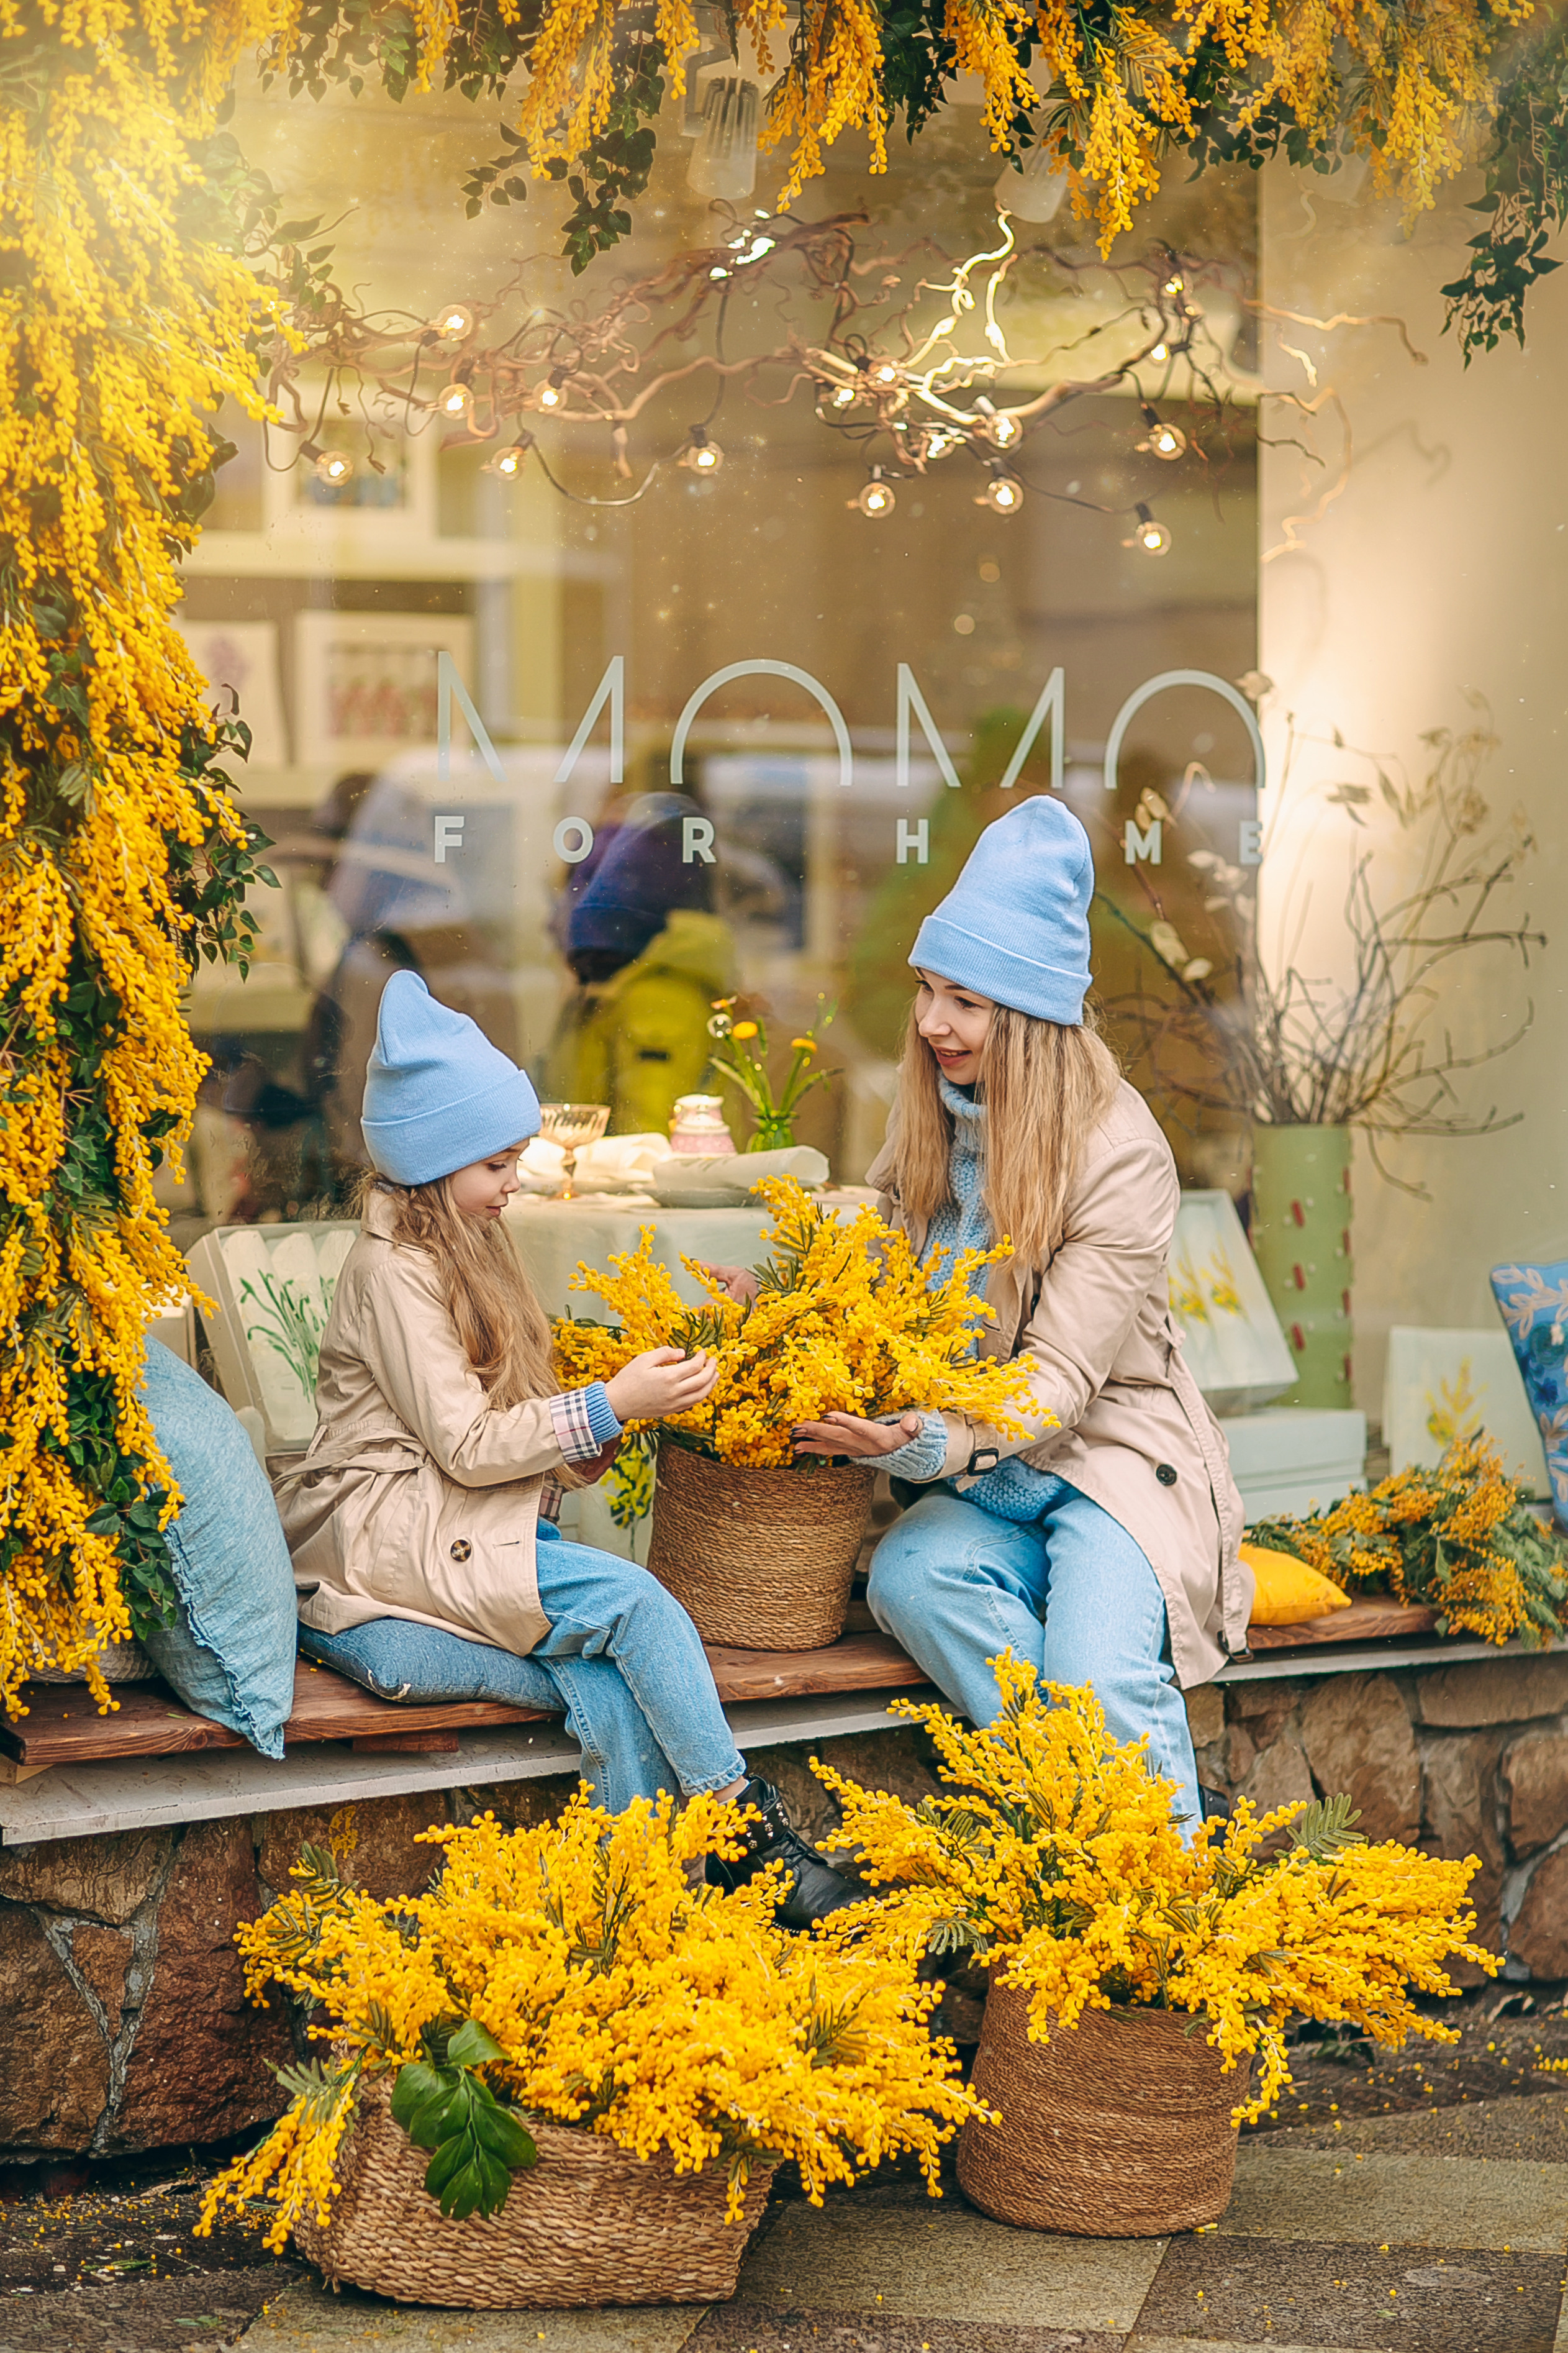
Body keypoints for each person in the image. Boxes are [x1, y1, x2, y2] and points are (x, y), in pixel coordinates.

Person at [708, 797, 1251, 1832]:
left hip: (1110, 1463)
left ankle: (1172, 1909)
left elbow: (1056, 1381)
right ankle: (1084, 1803)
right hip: (995, 1471)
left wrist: (922, 1442)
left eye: (965, 999)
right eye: (925, 988)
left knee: (1097, 1676)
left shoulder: (1118, 1154)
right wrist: (790, 1294)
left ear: (1032, 1017)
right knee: (914, 1578)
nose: (929, 1022)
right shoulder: (938, 1109)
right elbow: (888, 1252)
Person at [275, 970, 857, 1927]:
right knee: (637, 1605)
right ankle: (744, 1834)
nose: (515, 1185)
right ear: (432, 1162)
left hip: (448, 1515)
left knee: (604, 1669)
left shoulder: (460, 1238)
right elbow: (463, 1443)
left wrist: (590, 1437)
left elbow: (482, 1438)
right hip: (388, 1528)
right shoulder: (393, 1269)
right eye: (498, 1165)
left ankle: (632, 1910)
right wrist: (604, 1405)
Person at [545, 792, 733, 1133]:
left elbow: (649, 1146)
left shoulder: (657, 1003)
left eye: (582, 889)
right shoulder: (615, 993)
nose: (557, 919)